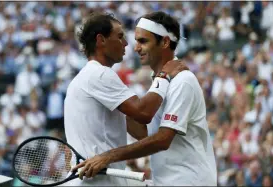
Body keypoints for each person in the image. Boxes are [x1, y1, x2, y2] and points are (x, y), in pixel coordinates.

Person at [73, 11, 217, 186]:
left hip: (189, 180)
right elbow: (145, 134)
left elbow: (163, 139)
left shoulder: (182, 80)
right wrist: (113, 105)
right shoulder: (159, 81)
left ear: (164, 42)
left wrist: (107, 156)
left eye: (143, 41)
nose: (135, 47)